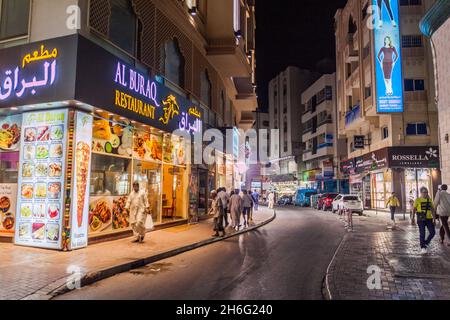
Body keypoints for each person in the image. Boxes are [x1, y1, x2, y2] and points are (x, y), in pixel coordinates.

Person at [413, 187, 436, 254]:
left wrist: (434, 219)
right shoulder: (417, 200)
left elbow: (432, 210)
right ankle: (423, 247)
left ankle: (426, 242)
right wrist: (412, 218)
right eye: (424, 192)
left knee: (432, 232)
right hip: (421, 219)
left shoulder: (429, 200)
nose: (425, 194)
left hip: (429, 218)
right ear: (421, 193)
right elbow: (414, 209)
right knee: (422, 233)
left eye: (426, 192)